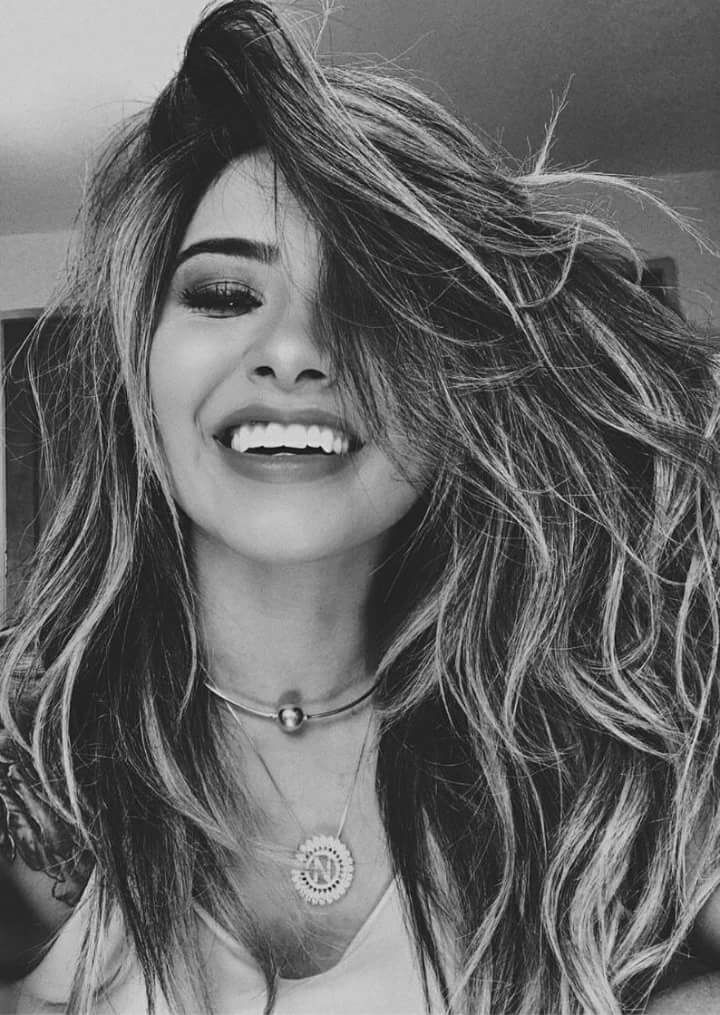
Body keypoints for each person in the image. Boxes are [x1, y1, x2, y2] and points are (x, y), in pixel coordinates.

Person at [1, 1, 720, 1012]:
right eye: (223, 294)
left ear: (462, 379)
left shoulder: (613, 728)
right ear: (140, 369)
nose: (294, 349)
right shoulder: (33, 761)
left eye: (372, 302)